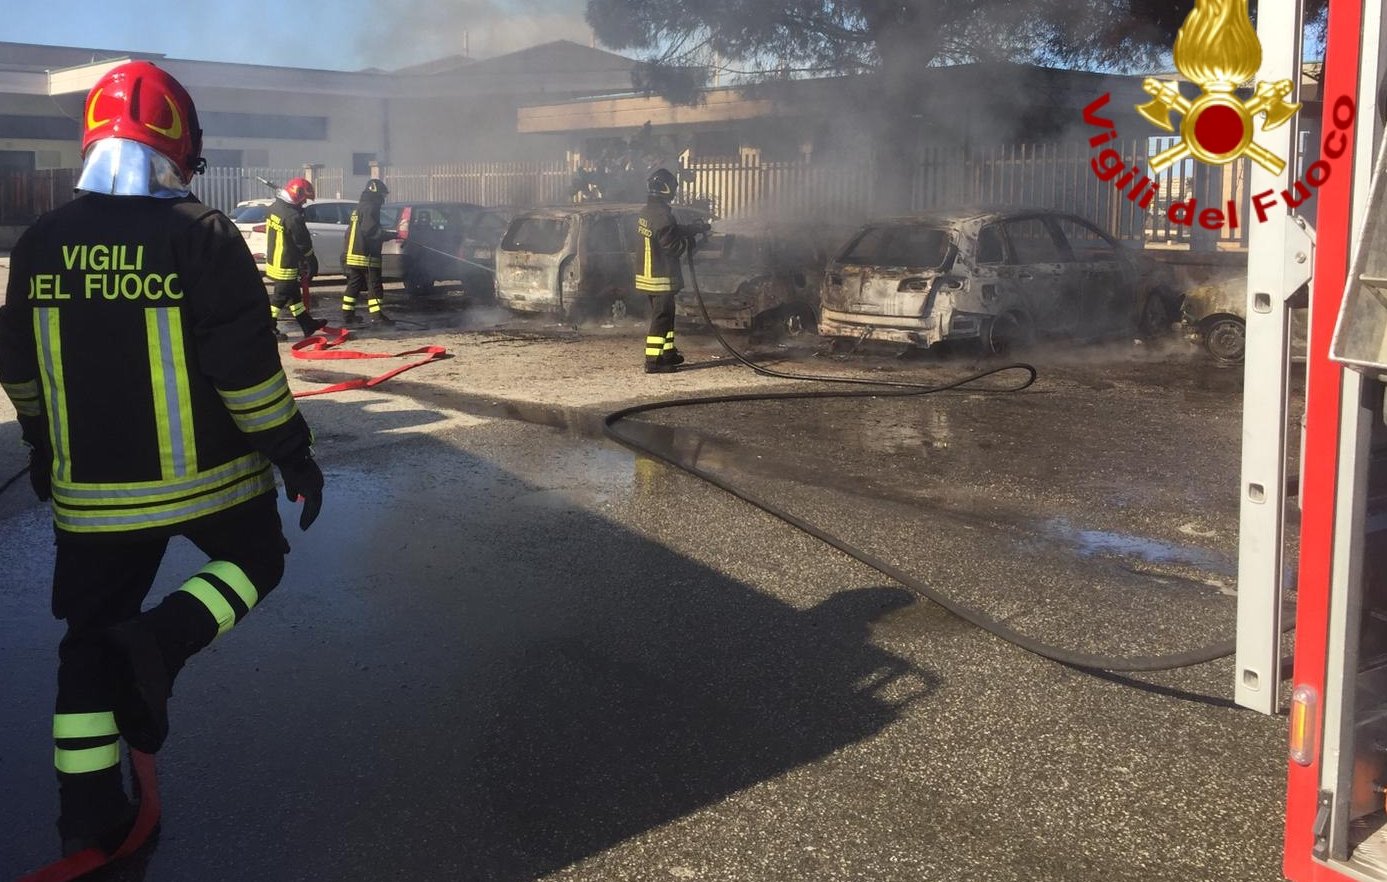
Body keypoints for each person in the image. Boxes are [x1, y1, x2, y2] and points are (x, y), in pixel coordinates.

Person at [0, 60, 323, 861]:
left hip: (92, 501)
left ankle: (88, 816)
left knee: (86, 643)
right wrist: (292, 452)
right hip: (210, 484)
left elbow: (18, 371)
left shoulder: (40, 243)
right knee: (258, 560)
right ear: (180, 143)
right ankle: (164, 642)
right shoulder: (201, 235)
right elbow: (246, 375)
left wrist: (41, 447)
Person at [634, 167, 710, 373]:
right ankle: (653, 362)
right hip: (661, 277)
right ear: (667, 189)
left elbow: (666, 232)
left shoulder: (648, 212)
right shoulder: (663, 217)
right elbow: (673, 247)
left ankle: (667, 354)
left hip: (648, 276)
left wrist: (693, 228)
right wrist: (693, 242)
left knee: (666, 315)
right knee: (661, 318)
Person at [265, 176, 327, 340]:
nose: (304, 204)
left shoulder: (276, 207)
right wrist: (311, 260)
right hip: (286, 262)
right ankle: (267, 327)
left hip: (275, 258)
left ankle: (307, 324)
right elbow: (302, 242)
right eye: (303, 200)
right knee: (281, 296)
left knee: (293, 296)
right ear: (297, 195)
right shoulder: (293, 216)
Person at [340, 178, 395, 328]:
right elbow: (370, 230)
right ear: (377, 194)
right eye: (383, 195)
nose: (383, 198)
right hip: (366, 255)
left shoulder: (359, 207)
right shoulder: (372, 207)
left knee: (354, 284)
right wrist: (391, 235)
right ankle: (377, 317)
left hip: (352, 253)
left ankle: (347, 315)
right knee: (374, 285)